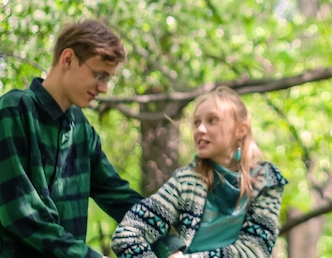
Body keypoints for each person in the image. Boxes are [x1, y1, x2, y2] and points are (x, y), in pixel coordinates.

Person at [0, 19, 151, 257]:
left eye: (107, 79)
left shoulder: (81, 129)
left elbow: (117, 195)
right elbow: (20, 214)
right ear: (68, 59)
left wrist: (169, 243)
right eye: (99, 75)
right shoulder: (14, 111)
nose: (103, 89)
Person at [111, 86, 288, 258]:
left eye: (212, 120)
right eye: (197, 123)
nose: (200, 130)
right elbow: (127, 233)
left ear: (240, 130)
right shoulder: (186, 181)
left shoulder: (265, 180)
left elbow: (254, 251)